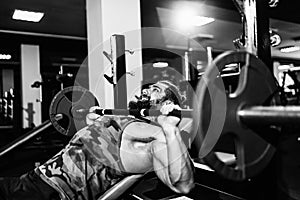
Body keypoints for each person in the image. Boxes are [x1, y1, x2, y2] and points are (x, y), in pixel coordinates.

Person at [0, 80, 194, 200]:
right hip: (32, 181)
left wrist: (170, 130)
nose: (146, 89)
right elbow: (91, 150)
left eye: (155, 89)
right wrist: (90, 123)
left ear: (167, 103)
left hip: (51, 194)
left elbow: (183, 185)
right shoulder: (123, 118)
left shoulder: (156, 136)